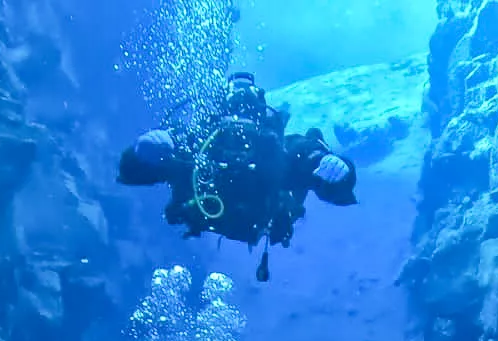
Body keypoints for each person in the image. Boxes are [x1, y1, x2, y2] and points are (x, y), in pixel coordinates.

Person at [116, 72, 358, 282]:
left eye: (248, 106)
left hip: (243, 218)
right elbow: (130, 172)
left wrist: (336, 167)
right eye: (236, 104)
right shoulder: (196, 142)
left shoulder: (277, 152)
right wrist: (140, 153)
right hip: (220, 218)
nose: (241, 115)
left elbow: (316, 165)